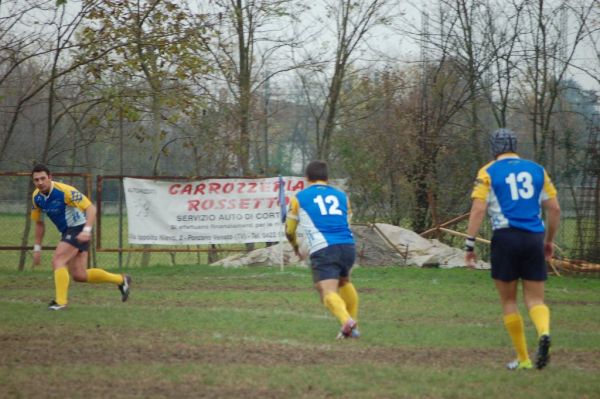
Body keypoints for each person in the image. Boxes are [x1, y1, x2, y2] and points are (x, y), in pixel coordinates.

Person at [464, 128, 560, 370]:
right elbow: (555, 209)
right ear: (515, 146)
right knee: (536, 299)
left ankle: (524, 358)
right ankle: (544, 332)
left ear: (494, 148)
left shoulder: (488, 171)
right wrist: (548, 241)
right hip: (534, 239)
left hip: (505, 238)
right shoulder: (538, 170)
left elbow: (478, 209)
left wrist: (470, 244)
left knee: (509, 301)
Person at [30, 164, 131, 310]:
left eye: (43, 178)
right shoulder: (36, 197)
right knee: (79, 275)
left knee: (58, 260)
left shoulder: (65, 191)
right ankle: (121, 280)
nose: (40, 182)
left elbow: (91, 208)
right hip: (68, 232)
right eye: (36, 180)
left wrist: (87, 230)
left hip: (78, 228)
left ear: (50, 177)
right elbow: (39, 223)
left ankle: (60, 302)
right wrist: (37, 248)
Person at [285, 160, 360, 339]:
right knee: (344, 282)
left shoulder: (299, 197)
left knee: (326, 291)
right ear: (327, 178)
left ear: (307, 178)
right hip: (347, 245)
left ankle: (347, 321)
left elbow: (289, 230)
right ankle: (353, 326)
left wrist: (296, 247)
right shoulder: (342, 196)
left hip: (324, 247)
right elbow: (346, 221)